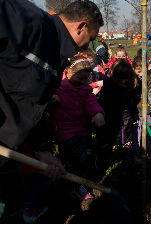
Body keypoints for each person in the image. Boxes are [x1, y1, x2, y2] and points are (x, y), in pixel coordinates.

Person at [0, 0, 103, 223]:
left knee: (16, 202)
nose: (90, 43)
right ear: (81, 27)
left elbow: (33, 105)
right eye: (92, 36)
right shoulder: (29, 21)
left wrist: (41, 150)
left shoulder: (56, 58)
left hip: (5, 150)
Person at [51, 54, 105, 200]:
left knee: (80, 156)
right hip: (64, 130)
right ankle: (75, 185)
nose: (82, 82)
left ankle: (70, 177)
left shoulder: (85, 90)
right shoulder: (59, 88)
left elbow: (91, 102)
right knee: (79, 157)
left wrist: (97, 113)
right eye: (79, 78)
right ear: (68, 72)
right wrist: (53, 99)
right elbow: (48, 99)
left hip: (81, 129)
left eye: (85, 79)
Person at [98, 59, 138, 151]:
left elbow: (132, 101)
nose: (124, 81)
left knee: (125, 131)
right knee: (112, 135)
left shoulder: (129, 86)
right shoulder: (108, 87)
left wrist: (134, 113)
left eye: (126, 78)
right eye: (122, 78)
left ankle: (124, 146)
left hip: (126, 116)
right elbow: (104, 104)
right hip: (111, 117)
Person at [132, 56, 151, 162]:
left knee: (149, 131)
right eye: (137, 72)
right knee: (137, 133)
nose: (139, 75)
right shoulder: (133, 79)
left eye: (141, 72)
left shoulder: (150, 77)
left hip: (147, 110)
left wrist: (146, 95)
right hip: (137, 112)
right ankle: (136, 153)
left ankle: (148, 150)